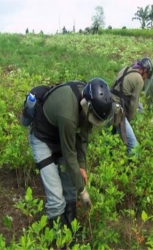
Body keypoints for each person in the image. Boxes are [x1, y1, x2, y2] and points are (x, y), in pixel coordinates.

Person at [28, 78, 113, 230]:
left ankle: (70, 232)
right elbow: (69, 155)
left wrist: (81, 165)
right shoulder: (68, 116)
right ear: (86, 106)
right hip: (43, 139)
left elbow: (83, 135)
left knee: (70, 188)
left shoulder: (89, 98)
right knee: (56, 200)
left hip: (61, 136)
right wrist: (83, 191)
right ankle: (57, 241)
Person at [110, 57, 153, 155]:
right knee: (134, 146)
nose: (145, 78)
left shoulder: (124, 69)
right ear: (145, 71)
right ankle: (130, 169)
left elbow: (112, 87)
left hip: (108, 105)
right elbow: (133, 105)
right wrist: (127, 120)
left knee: (108, 138)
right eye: (146, 76)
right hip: (117, 111)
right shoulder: (139, 80)